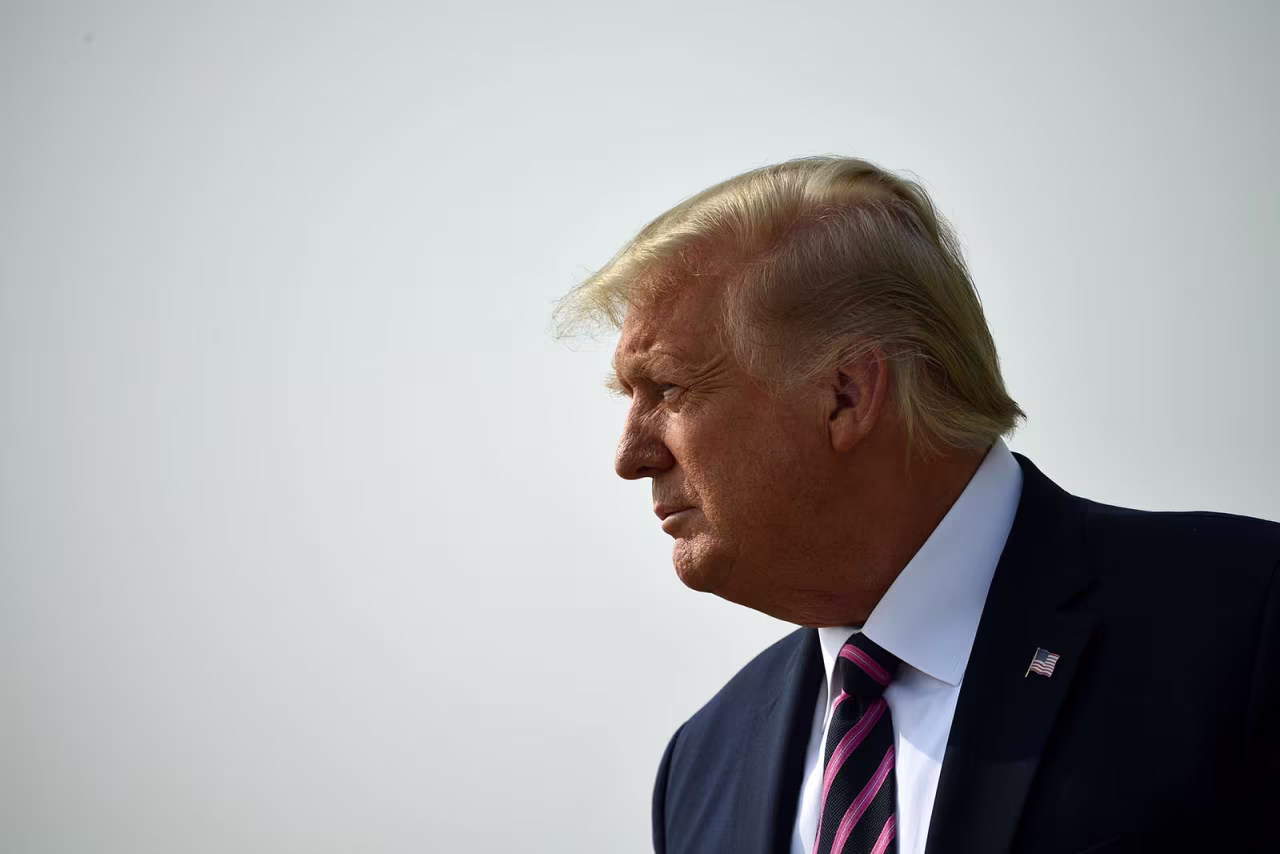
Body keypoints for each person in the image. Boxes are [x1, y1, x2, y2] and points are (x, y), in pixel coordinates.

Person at [555, 157, 1280, 854]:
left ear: (847, 394)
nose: (630, 457)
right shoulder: (702, 764)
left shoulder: (1244, 620)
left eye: (670, 390)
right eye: (631, 400)